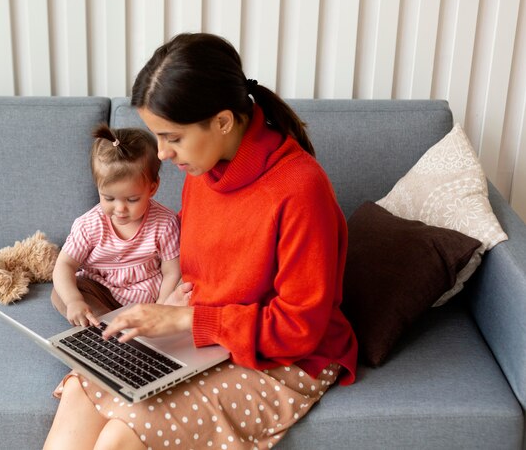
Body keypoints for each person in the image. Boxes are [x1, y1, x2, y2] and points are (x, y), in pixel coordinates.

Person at [44, 33, 358, 450]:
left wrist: (183, 321)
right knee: (83, 392)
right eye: (157, 136)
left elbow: (299, 329)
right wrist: (165, 311)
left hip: (288, 357)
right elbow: (197, 276)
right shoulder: (203, 172)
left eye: (172, 138)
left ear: (223, 121)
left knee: (124, 433)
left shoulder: (301, 189)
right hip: (203, 338)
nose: (163, 154)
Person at [50, 124, 181, 328]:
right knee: (61, 292)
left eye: (132, 199)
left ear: (152, 188)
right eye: (109, 198)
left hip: (146, 299)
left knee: (184, 288)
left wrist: (162, 307)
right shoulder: (89, 225)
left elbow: (172, 271)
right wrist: (74, 301)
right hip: (102, 293)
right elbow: (64, 265)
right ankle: (103, 328)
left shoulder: (165, 223)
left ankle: (126, 328)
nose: (120, 209)